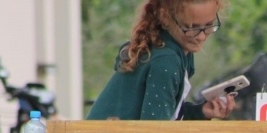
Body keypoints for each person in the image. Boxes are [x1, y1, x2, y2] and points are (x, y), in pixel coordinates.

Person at [87, 0, 234, 121]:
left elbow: (166, 114)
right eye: (191, 27)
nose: (201, 36)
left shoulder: (178, 51)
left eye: (208, 25)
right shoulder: (166, 61)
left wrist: (201, 111)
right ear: (165, 17)